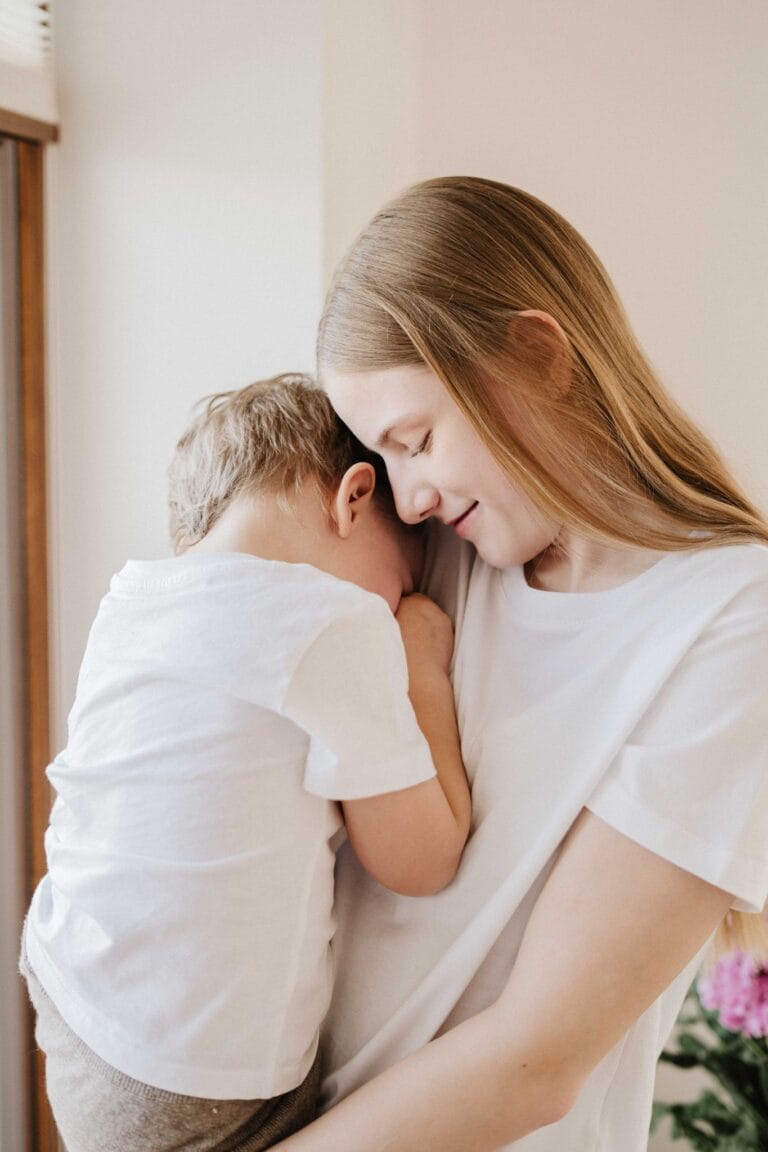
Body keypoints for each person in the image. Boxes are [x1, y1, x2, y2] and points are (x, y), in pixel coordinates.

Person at [270, 177, 768, 1152]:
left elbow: (535, 1061)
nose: (405, 495)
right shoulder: (440, 560)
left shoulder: (731, 618)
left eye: (417, 440)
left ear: (538, 355)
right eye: (384, 456)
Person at [20, 374, 471, 1152]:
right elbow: (422, 860)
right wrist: (422, 662)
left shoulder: (129, 604)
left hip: (71, 998)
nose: (398, 603)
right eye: (402, 580)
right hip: (196, 1077)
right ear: (354, 498)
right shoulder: (335, 621)